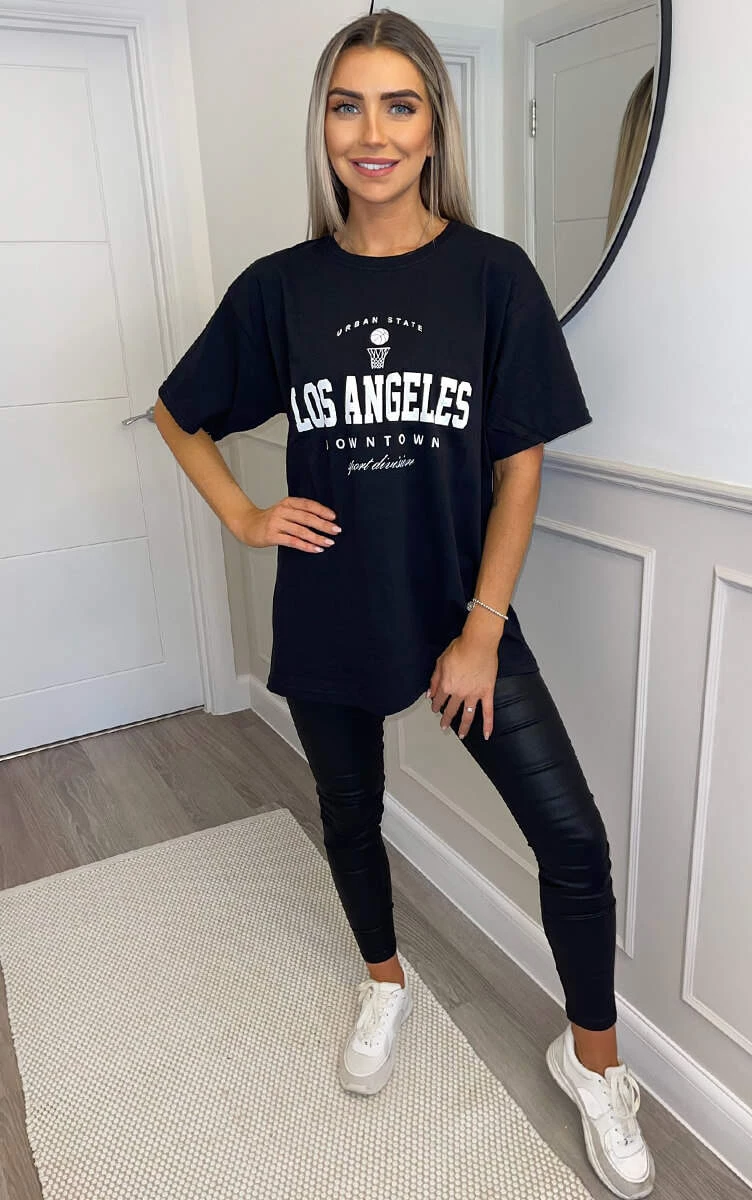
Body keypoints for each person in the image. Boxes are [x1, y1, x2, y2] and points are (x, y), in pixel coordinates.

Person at [154, 9, 655, 1198]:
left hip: (456, 608)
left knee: (571, 840)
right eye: (346, 105)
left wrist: (480, 627)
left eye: (398, 105)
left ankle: (593, 1064)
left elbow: (519, 465)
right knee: (348, 809)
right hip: (332, 607)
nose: (369, 133)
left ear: (434, 128)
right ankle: (382, 982)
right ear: (322, 126)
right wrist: (245, 517)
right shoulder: (281, 289)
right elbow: (180, 412)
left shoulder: (491, 276)